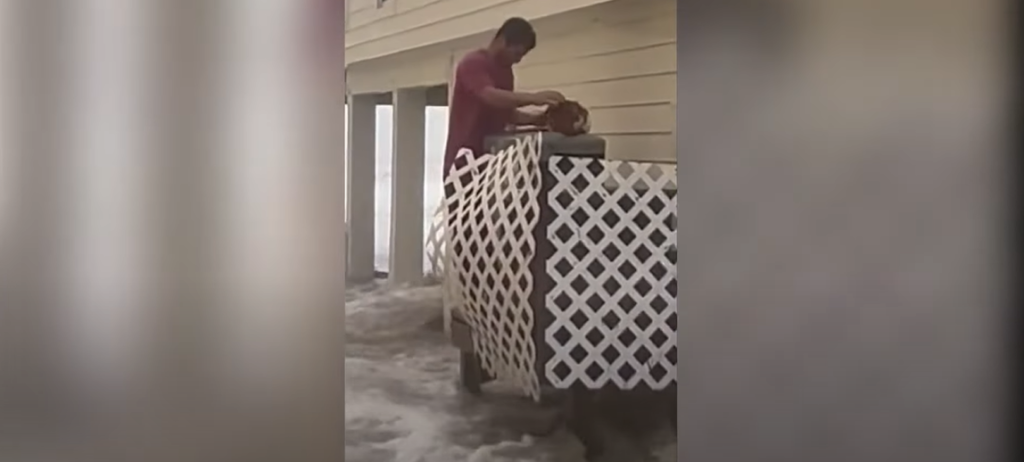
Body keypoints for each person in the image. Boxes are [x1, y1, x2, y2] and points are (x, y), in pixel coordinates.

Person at [443, 17, 566, 178]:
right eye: (517, 53)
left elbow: (506, 113)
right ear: (502, 41)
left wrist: (537, 120)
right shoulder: (473, 63)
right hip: (463, 163)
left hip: (491, 161)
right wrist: (534, 98)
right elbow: (489, 96)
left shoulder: (506, 73)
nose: (518, 59)